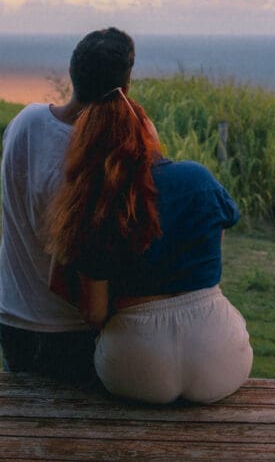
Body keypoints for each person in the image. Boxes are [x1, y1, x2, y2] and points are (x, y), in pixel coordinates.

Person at [45, 34, 253, 404]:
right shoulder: (198, 180)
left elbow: (94, 315)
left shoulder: (94, 202)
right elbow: (212, 257)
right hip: (218, 355)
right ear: (147, 133)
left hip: (135, 365)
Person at [0, 27, 136, 382]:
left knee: (20, 429)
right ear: (126, 86)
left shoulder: (25, 124)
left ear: (73, 73)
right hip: (80, 325)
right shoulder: (117, 150)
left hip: (15, 318)